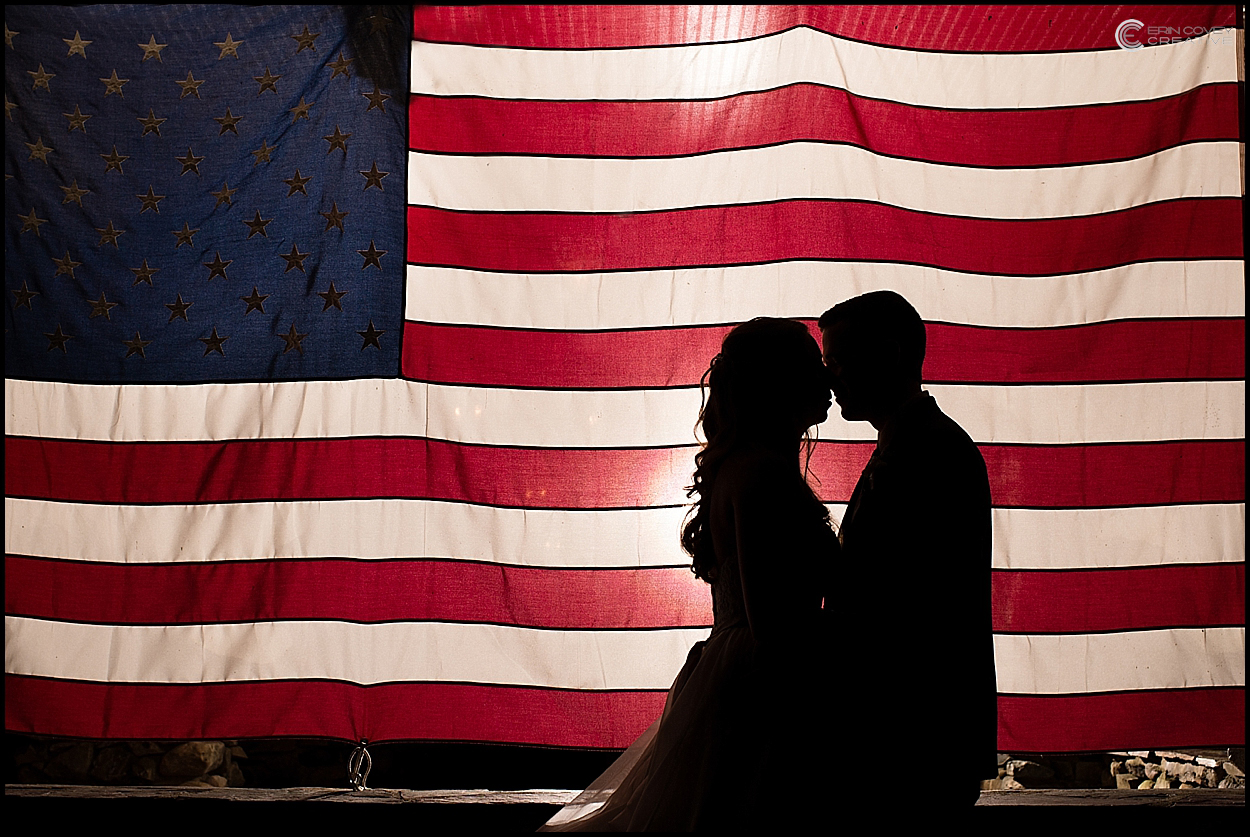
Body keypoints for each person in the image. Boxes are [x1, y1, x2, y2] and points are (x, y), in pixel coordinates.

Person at [542, 318, 838, 831]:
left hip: (743, 674)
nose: (829, 381)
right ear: (780, 382)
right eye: (813, 368)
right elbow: (773, 623)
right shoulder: (760, 474)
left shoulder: (749, 467)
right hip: (765, 689)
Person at [818, 290, 997, 808]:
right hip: (912, 738)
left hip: (913, 740)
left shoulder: (930, 453)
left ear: (890, 354)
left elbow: (898, 603)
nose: (831, 380)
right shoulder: (919, 445)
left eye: (839, 362)